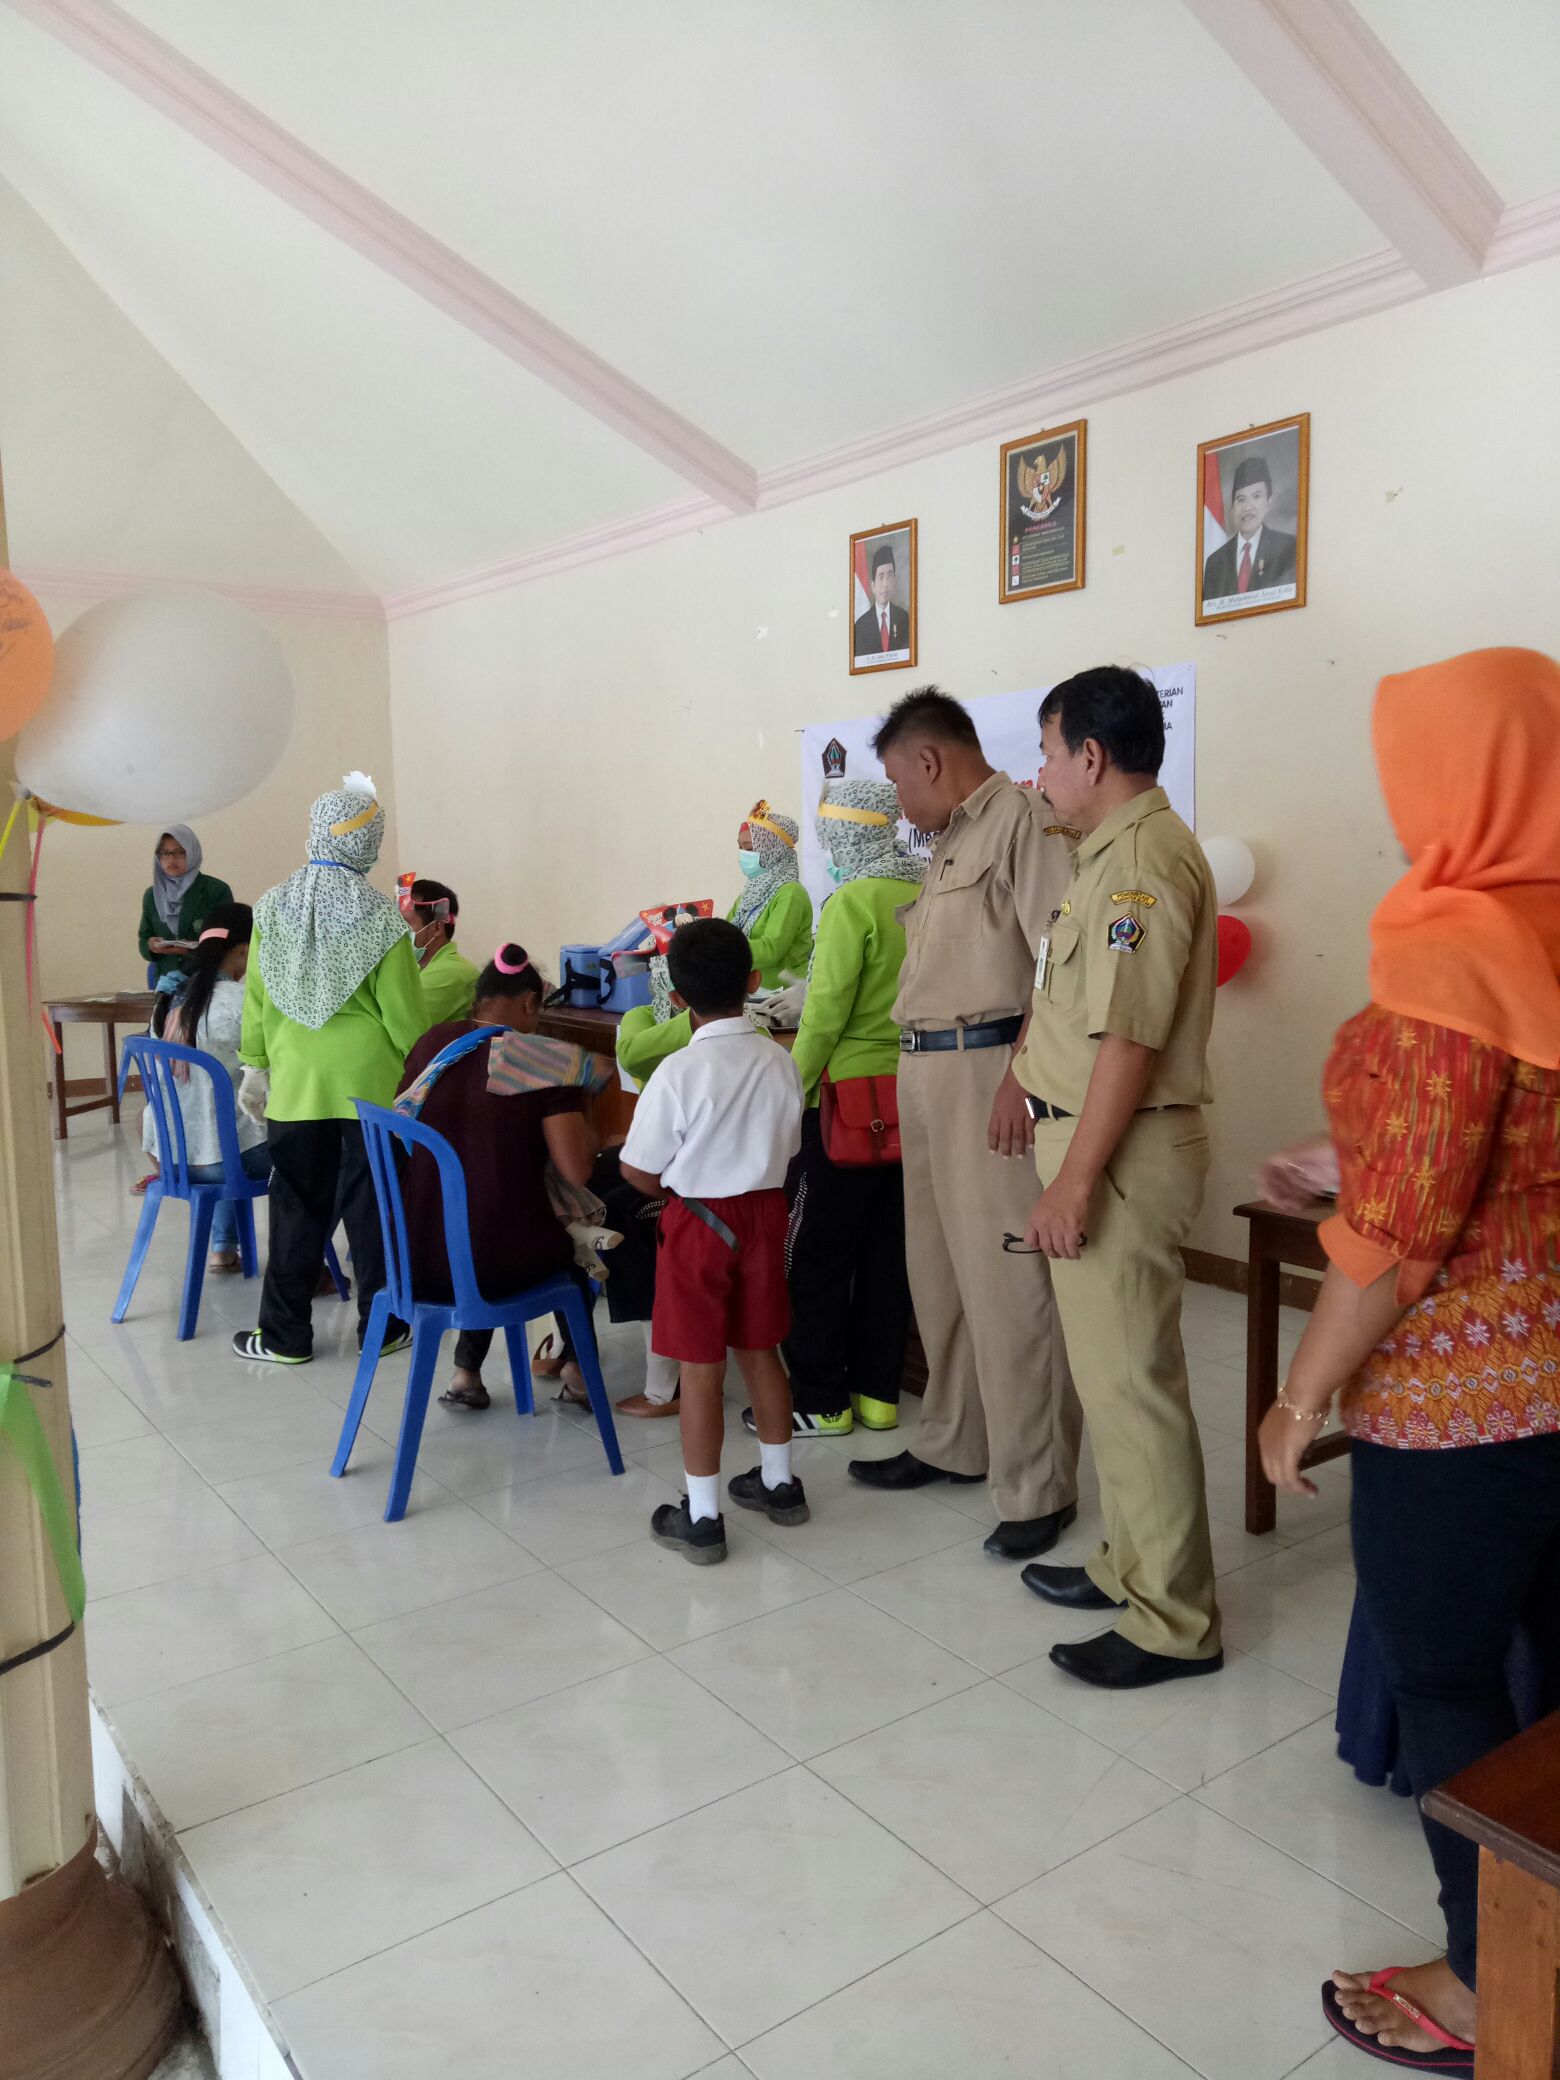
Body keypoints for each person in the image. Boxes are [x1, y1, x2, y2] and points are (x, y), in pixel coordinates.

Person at [1258, 648, 1560, 2070]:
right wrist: (1359, 1152)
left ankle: (1491, 1980)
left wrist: (1298, 1394)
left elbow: (1400, 1236)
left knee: (1446, 1673)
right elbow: (1506, 1136)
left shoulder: (1454, 946)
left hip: (1464, 1408)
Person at [1014, 665, 1221, 1690]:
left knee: (1135, 1390)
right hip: (1100, 1142)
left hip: (1120, 1151)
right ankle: (1128, 1566)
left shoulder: (1140, 864)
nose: (1041, 774)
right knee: (1113, 1378)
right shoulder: (1105, 855)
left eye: (1049, 753)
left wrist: (1073, 1181)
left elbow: (1128, 1042)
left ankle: (1174, 1622)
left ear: (1091, 756)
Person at [852, 685, 1082, 1566]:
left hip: (990, 1068)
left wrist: (1021, 1077)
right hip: (926, 1070)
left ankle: (1037, 1484)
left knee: (1008, 1284)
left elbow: (1060, 963)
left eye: (897, 782)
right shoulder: (950, 839)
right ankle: (955, 1440)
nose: (897, 802)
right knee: (940, 1272)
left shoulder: (1022, 823)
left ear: (928, 760)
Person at [619, 918, 806, 1564]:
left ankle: (701, 1518)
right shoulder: (781, 1061)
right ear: (753, 982)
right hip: (765, 1216)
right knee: (762, 1351)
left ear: (675, 998)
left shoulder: (677, 1071)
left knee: (700, 1368)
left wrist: (677, 1183)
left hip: (699, 1223)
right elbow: (789, 1147)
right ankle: (780, 1485)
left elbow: (638, 1170)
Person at [232, 772, 429, 1365]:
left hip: (296, 1084)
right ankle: (385, 1327)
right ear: (366, 843)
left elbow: (256, 999)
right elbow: (404, 1017)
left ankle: (285, 1337)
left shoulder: (271, 908)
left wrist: (254, 1065)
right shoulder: (383, 918)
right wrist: (423, 1072)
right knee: (375, 1206)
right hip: (370, 1085)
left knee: (295, 1207)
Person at [757, 776, 925, 1438]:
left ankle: (822, 1402)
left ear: (846, 837)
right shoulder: (924, 889)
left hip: (844, 1107)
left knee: (818, 1257)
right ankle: (879, 1396)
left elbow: (824, 1017)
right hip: (914, 1096)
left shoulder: (851, 901)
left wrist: (788, 1089)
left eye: (829, 838)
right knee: (889, 1255)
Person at [395, 943, 605, 1412]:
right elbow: (577, 1168)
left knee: (479, 1210)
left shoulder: (434, 1043)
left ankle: (466, 1374)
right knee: (575, 1238)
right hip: (497, 1266)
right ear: (530, 1003)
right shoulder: (540, 1057)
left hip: (416, 1258)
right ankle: (577, 1370)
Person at [143, 903, 270, 1271]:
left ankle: (222, 1248)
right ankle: (308, 1264)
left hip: (173, 1156)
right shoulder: (241, 1004)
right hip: (226, 1160)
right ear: (244, 950)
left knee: (223, 1126)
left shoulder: (167, 1001)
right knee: (313, 1149)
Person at [729, 801, 813, 988]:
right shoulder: (750, 892)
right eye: (740, 847)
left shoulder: (791, 893)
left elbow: (771, 950)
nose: (743, 854)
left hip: (783, 993)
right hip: (751, 989)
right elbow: (728, 929)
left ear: (774, 850)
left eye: (749, 848)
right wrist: (699, 930)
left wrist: (723, 946)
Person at [138, 827, 233, 982]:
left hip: (207, 981)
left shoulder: (216, 890)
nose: (171, 860)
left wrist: (191, 950)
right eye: (165, 853)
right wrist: (151, 946)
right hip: (166, 982)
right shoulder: (152, 895)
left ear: (192, 852)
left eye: (180, 852)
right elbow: (144, 938)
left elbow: (228, 939)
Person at [1202, 454, 1297, 602]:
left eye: (1256, 496)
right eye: (1241, 499)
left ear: (1268, 502)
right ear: (1233, 507)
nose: (1247, 507)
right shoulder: (1215, 562)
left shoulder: (1287, 548)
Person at [406, 877, 480, 1025]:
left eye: (405, 923)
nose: (395, 932)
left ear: (437, 927)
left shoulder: (452, 971)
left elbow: (401, 1025)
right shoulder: (419, 969)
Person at [852, 542, 911, 662]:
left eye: (890, 576)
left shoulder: (905, 619)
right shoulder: (860, 625)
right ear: (873, 585)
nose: (885, 583)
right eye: (881, 577)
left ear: (894, 581)